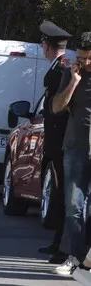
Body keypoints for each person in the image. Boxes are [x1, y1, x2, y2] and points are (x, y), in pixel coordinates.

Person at [51, 32, 91, 277]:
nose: (84, 63)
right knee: (73, 206)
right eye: (81, 58)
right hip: (76, 146)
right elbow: (56, 107)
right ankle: (75, 256)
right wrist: (74, 82)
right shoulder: (71, 73)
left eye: (88, 59)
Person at [37, 21, 72, 264]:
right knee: (60, 192)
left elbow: (59, 109)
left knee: (63, 194)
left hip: (60, 142)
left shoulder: (60, 69)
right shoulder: (59, 66)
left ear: (46, 46)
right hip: (57, 141)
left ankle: (62, 245)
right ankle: (58, 241)